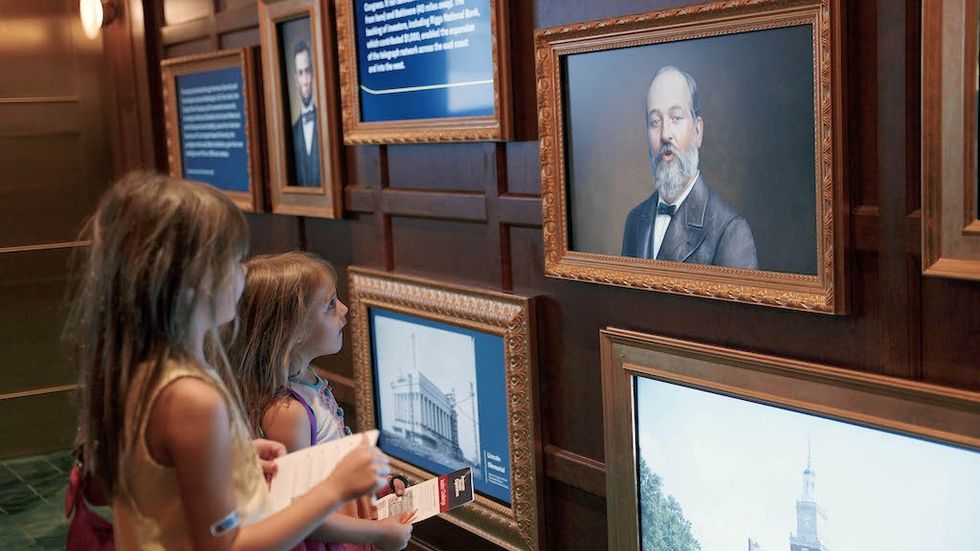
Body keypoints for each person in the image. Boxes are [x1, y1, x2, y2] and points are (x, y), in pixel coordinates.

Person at [67, 172, 390, 550]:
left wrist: (237, 458)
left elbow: (162, 482)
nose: (242, 274)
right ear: (197, 278)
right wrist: (335, 490)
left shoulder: (144, 370)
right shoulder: (191, 398)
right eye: (235, 261)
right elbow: (227, 546)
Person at [227, 251, 414, 551]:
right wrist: (376, 535)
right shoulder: (288, 413)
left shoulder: (307, 377)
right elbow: (298, 512)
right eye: (329, 305)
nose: (345, 308)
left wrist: (380, 488)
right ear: (292, 330)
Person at [621, 65, 759, 269]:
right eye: (655, 121)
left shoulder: (731, 231)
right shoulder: (634, 221)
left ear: (697, 131)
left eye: (676, 118)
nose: (665, 134)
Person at [291, 40, 321, 187]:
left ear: (313, 74)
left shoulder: (325, 123)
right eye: (300, 73)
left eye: (307, 71)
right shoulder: (293, 131)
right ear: (296, 78)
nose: (304, 81)